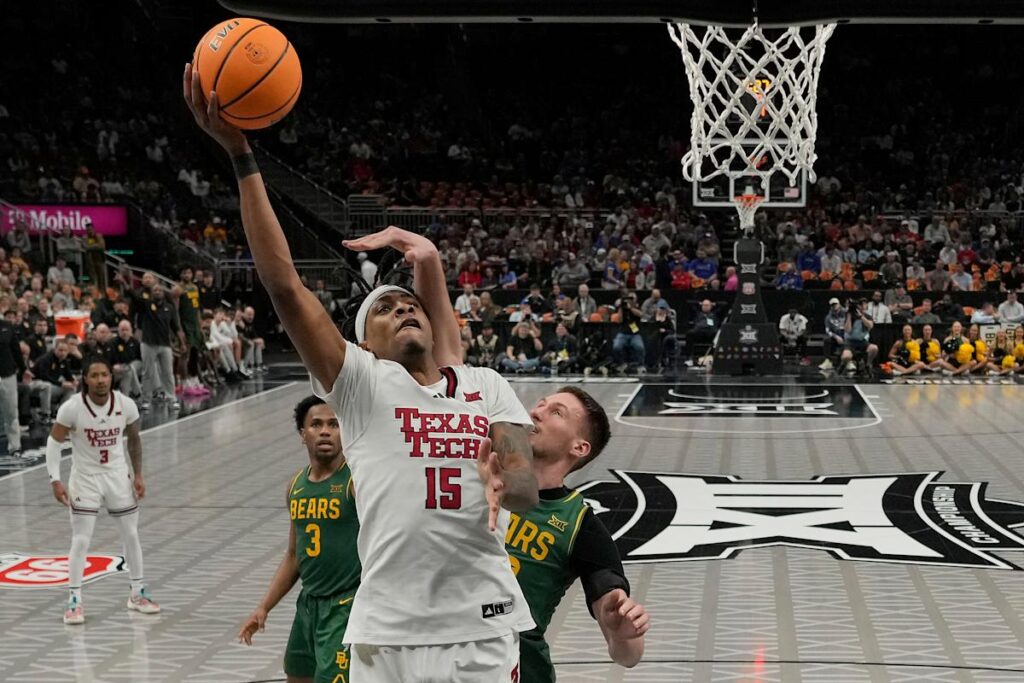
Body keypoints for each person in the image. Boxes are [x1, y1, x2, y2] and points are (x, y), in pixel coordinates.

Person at [186, 73, 536, 681]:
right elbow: (284, 286)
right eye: (383, 309)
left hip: (484, 624)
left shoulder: (485, 387)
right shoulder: (362, 385)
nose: (401, 309)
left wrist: (507, 474)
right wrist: (242, 157)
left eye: (409, 304)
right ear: (361, 343)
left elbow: (527, 492)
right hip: (388, 630)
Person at [238, 396, 359, 683]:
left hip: (345, 606)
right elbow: (294, 555)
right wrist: (263, 607)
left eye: (334, 424)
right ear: (302, 434)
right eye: (316, 424)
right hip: (308, 603)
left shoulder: (355, 483)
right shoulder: (296, 485)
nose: (326, 431)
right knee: (297, 675)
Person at [46, 356, 158, 624]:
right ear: (85, 379)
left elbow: (134, 440)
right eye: (94, 375)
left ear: (111, 377)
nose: (100, 380)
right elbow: (53, 443)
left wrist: (138, 474)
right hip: (85, 478)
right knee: (81, 538)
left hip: (117, 475)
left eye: (104, 375)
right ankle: (74, 599)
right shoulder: (72, 408)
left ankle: (137, 592)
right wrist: (55, 480)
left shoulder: (125, 404)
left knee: (130, 533)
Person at [840, 299, 878, 375]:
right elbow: (848, 330)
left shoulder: (867, 316)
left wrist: (861, 317)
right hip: (850, 342)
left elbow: (870, 325)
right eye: (863, 304)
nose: (864, 306)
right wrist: (849, 316)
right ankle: (843, 364)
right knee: (846, 357)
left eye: (865, 304)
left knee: (874, 348)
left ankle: (867, 364)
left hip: (862, 341)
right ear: (859, 306)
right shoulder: (849, 315)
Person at [612, 291, 645, 371]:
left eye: (632, 299)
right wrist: (620, 307)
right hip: (623, 333)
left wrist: (631, 308)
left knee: (640, 347)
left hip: (635, 334)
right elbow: (620, 320)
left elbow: (641, 314)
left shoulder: (638, 306)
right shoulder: (623, 308)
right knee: (616, 346)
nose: (631, 300)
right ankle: (621, 364)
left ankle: (640, 365)